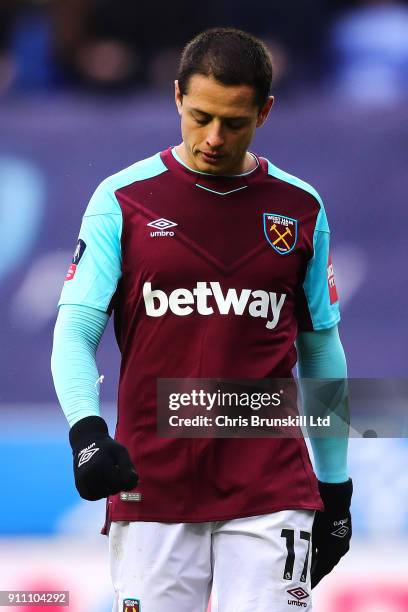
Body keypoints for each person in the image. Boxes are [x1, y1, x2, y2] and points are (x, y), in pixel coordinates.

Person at [51, 27, 352, 612]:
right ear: (176, 97)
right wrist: (86, 432)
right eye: (200, 116)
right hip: (152, 483)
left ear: (265, 111)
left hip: (271, 485)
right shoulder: (123, 199)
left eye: (234, 122)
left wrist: (336, 486)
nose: (213, 138)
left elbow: (321, 350)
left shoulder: (299, 208)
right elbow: (75, 329)